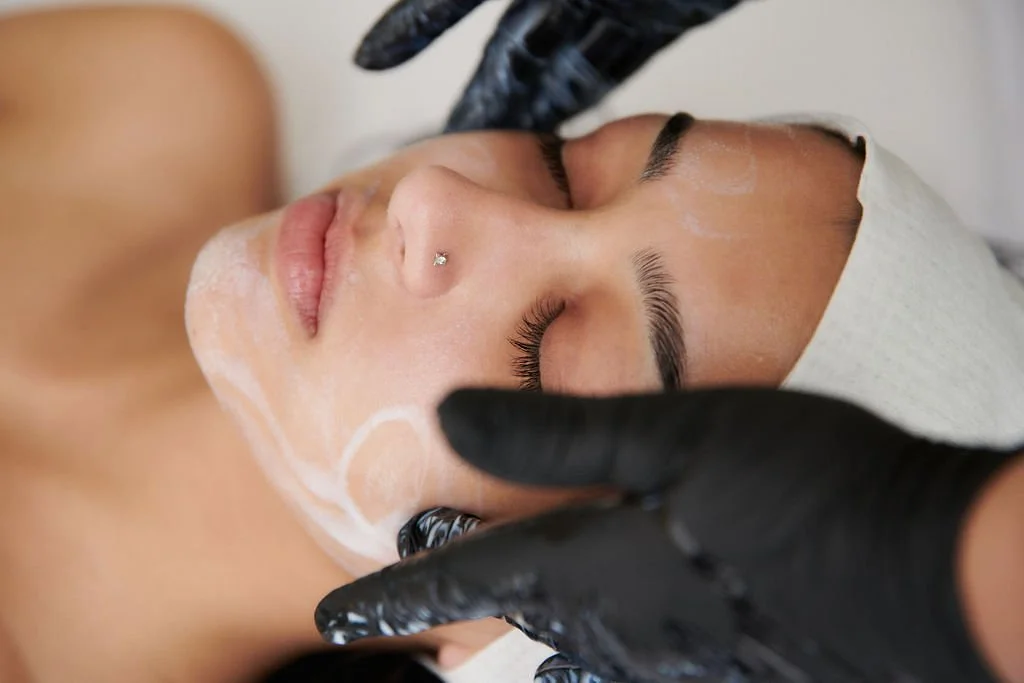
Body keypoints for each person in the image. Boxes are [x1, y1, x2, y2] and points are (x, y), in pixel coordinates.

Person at [1, 6, 1021, 683]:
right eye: (567, 167)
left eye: (552, 350)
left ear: (538, 628)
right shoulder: (143, 99)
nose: (438, 198)